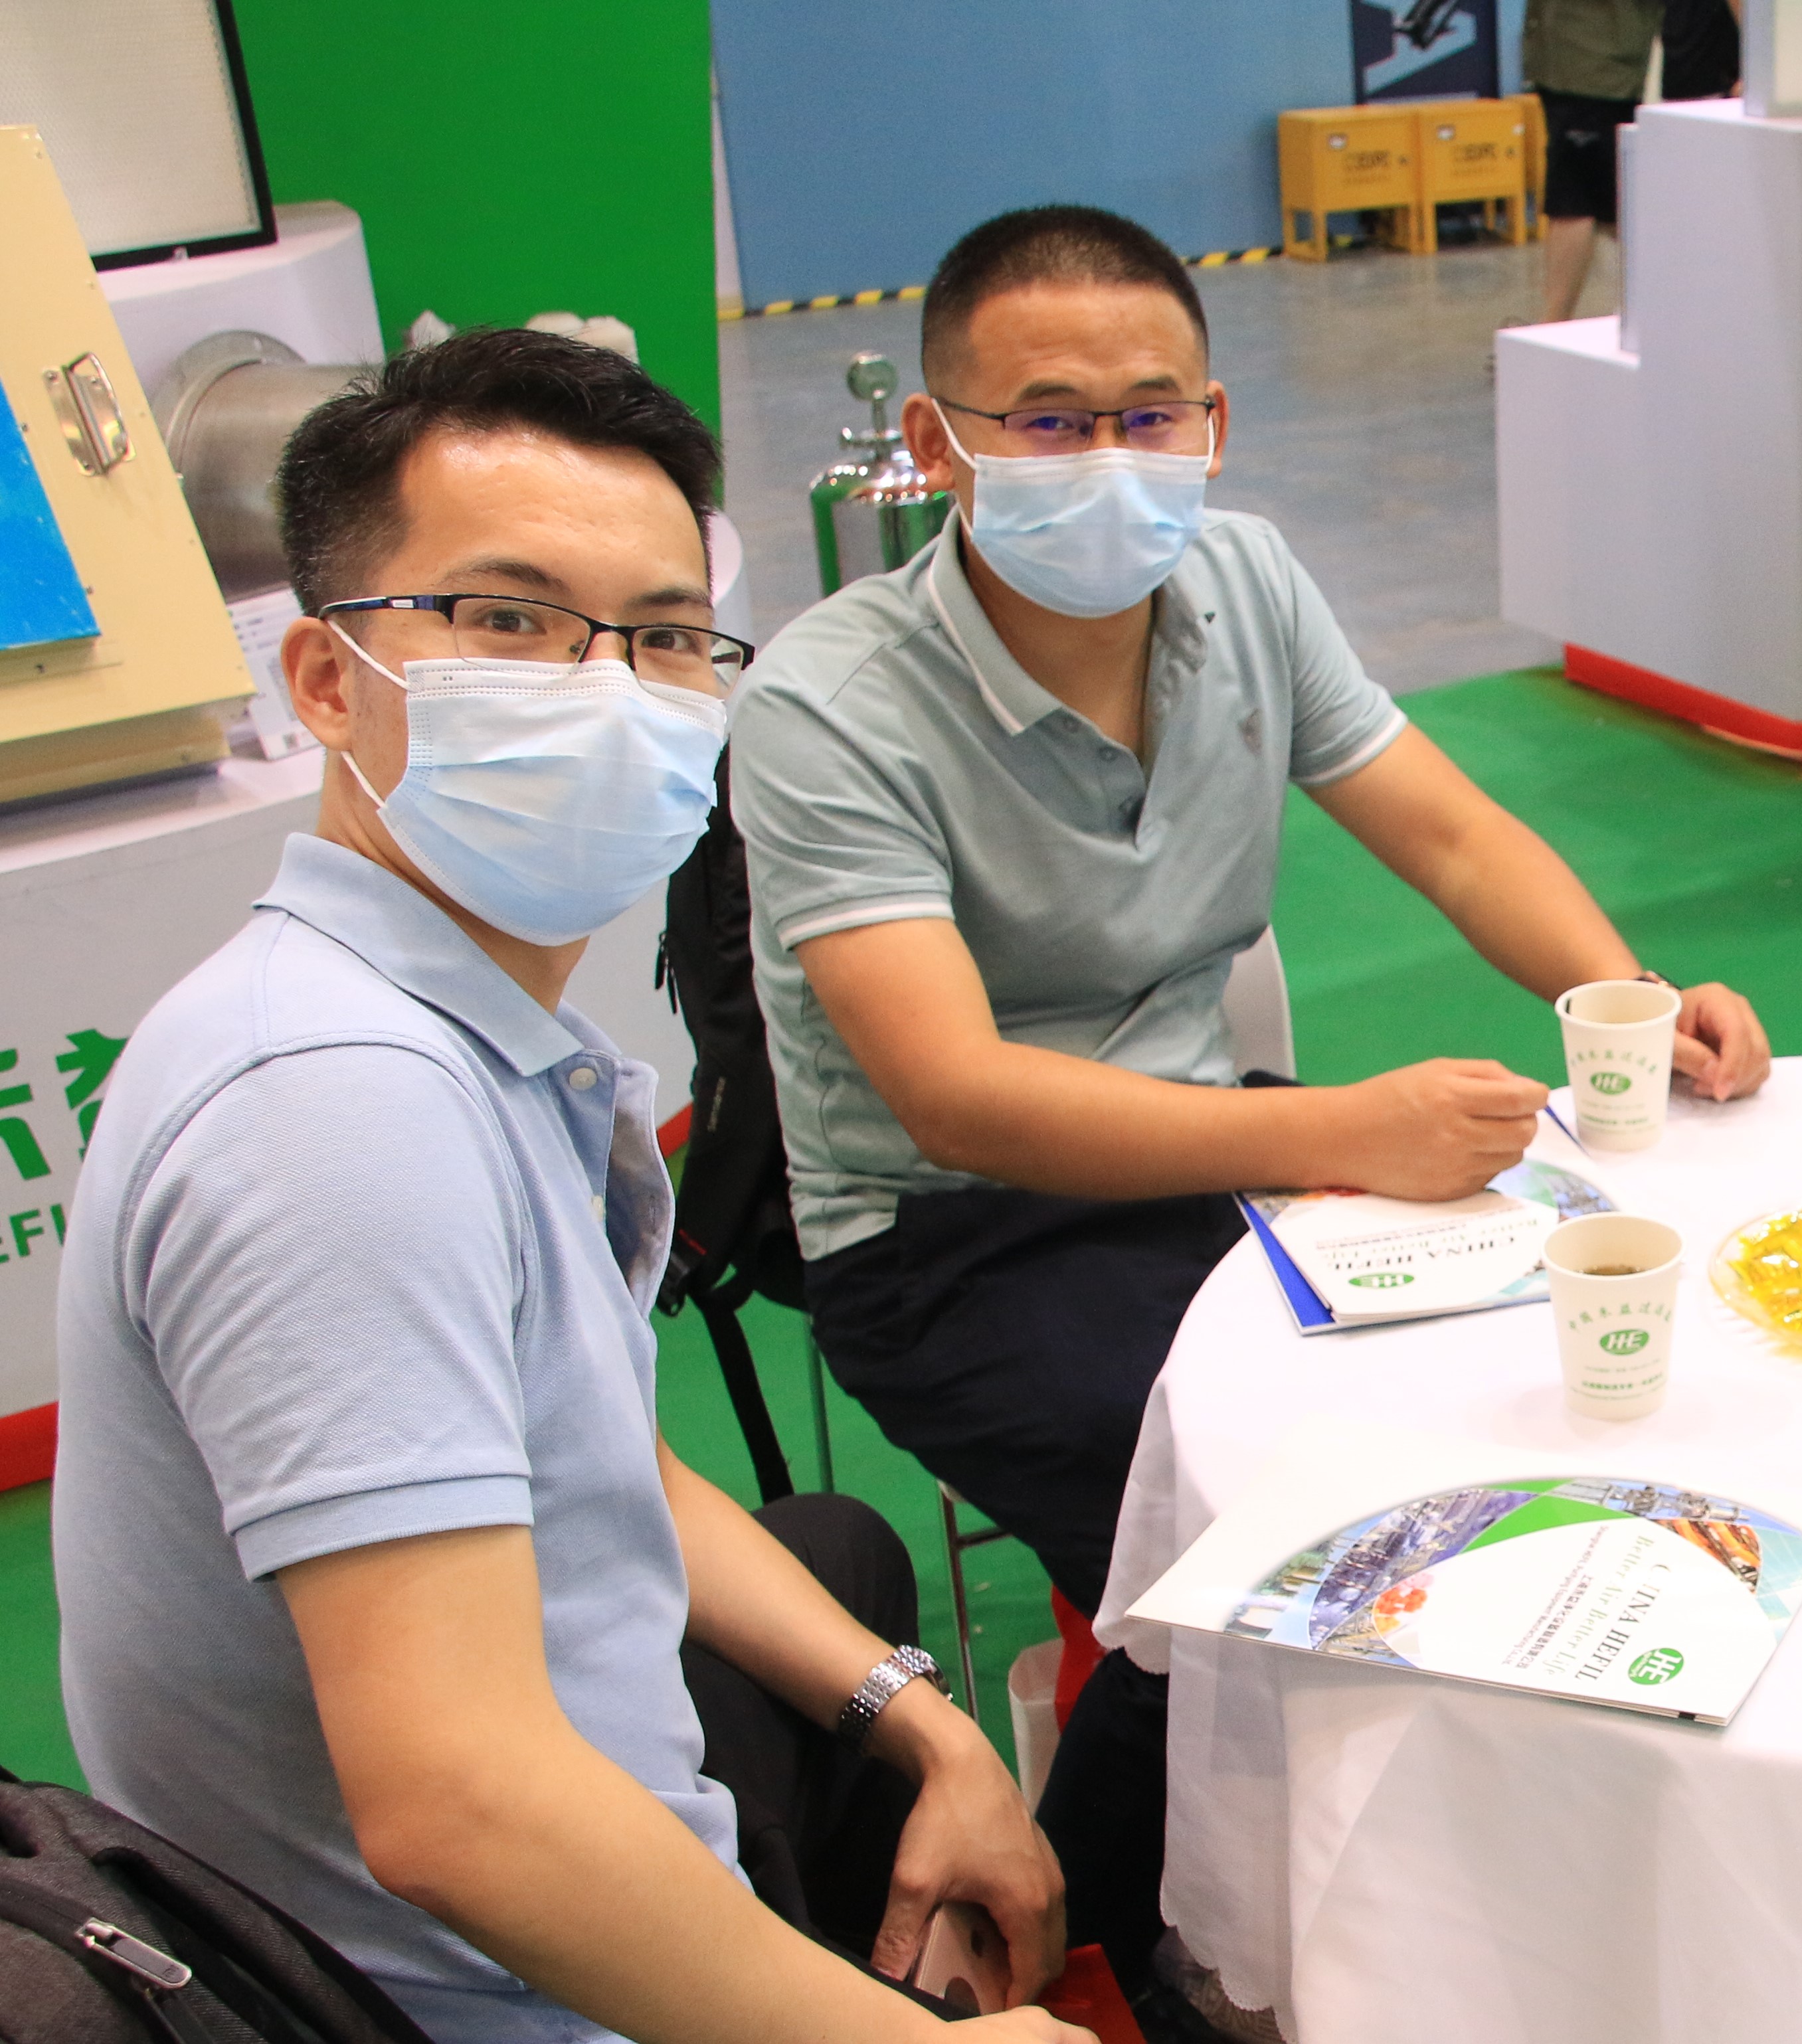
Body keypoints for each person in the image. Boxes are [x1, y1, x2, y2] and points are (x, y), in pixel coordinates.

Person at [730, 202, 1767, 2015]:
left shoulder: (1246, 584)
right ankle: (1089, 1949)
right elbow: (956, 1098)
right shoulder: (830, 703)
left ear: (1213, 422)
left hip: (1212, 1154)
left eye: (1151, 413)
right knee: (1272, 1558)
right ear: (938, 443)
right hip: (951, 1237)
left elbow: (1452, 833)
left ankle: (1370, 1889)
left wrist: (1625, 992)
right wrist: (1341, 1132)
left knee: (1514, 1393)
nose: (1109, 457)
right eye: (1049, 418)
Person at [53, 329, 1080, 2044]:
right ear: (324, 680)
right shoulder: (337, 1109)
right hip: (460, 2000)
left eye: (666, 637)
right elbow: (459, 1809)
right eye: (511, 621)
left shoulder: (438, 1017)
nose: (607, 691)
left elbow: (595, 1454)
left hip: (559, 1826)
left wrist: (930, 1726)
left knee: (833, 1559)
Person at [1523, 0, 1665, 324]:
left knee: (1573, 201)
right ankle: (1670, 300)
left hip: (1597, 66)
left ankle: (1553, 325)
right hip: (1564, 58)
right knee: (1608, 205)